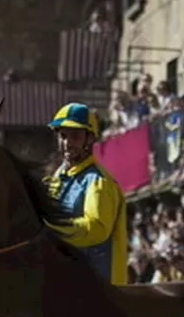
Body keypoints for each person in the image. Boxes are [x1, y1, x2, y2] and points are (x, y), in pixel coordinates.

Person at [45, 103, 129, 286]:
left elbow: (96, 228)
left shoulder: (99, 181)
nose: (67, 142)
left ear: (89, 139)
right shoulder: (58, 176)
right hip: (64, 279)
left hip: (97, 286)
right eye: (63, 135)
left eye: (75, 136)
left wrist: (53, 229)